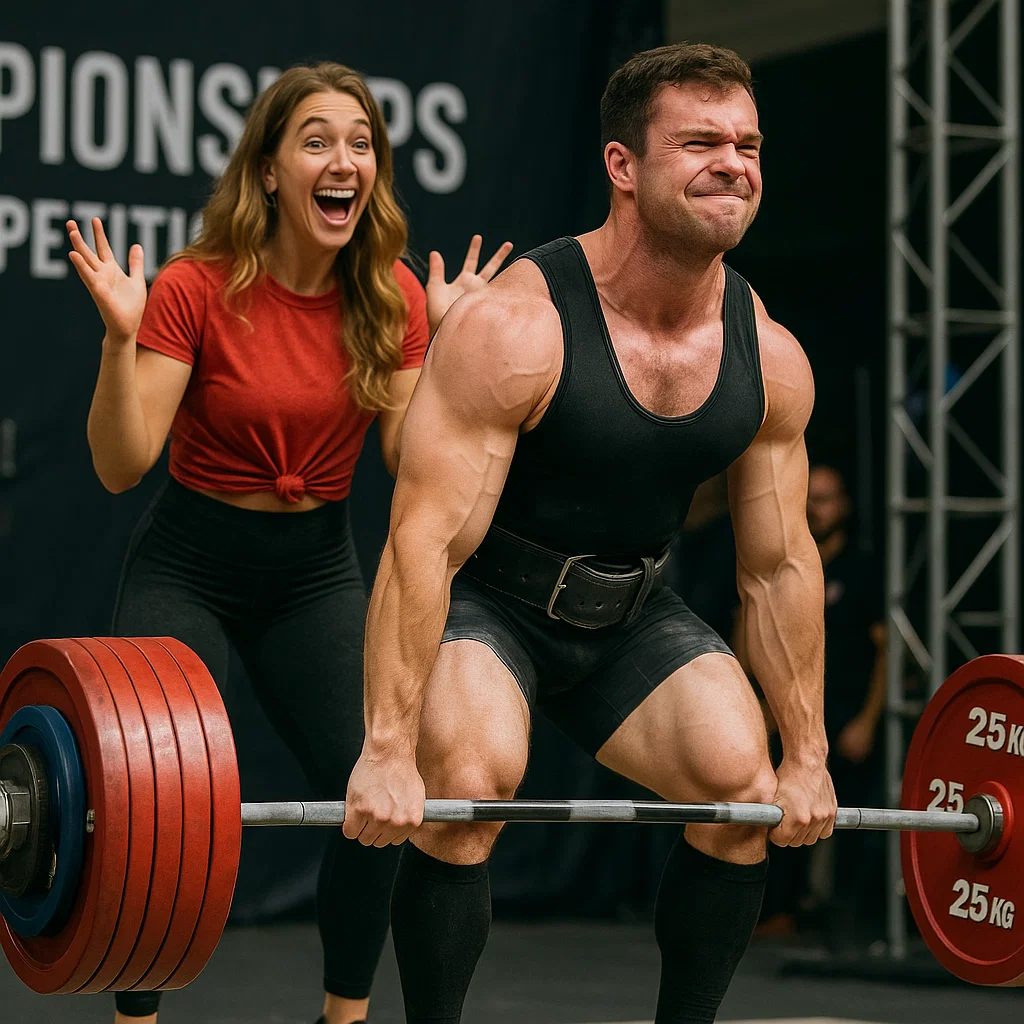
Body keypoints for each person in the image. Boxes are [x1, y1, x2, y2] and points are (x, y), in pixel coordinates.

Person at [343, 42, 837, 1024]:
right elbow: (425, 545)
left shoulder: (768, 355)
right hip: (493, 603)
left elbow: (778, 565)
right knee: (468, 787)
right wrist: (388, 747)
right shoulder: (517, 329)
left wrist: (809, 750)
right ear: (622, 167)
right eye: (698, 141)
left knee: (738, 794)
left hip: (633, 611)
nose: (732, 163)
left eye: (746, 143)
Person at [66, 62, 511, 1024]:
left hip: (313, 572)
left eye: (360, 143)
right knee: (156, 800)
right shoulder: (196, 287)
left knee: (380, 790)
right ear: (268, 170)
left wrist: (453, 349)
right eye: (316, 140)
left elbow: (406, 456)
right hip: (190, 560)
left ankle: (341, 1020)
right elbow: (119, 463)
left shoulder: (386, 294)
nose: (342, 159)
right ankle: (135, 1018)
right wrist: (118, 341)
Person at [806, 461, 887, 948]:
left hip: (848, 714)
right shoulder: (789, 563)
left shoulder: (860, 569)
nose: (816, 508)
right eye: (809, 497)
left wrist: (869, 720)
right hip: (800, 716)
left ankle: (848, 926)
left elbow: (886, 649)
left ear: (845, 506)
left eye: (826, 498)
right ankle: (790, 912)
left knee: (853, 820)